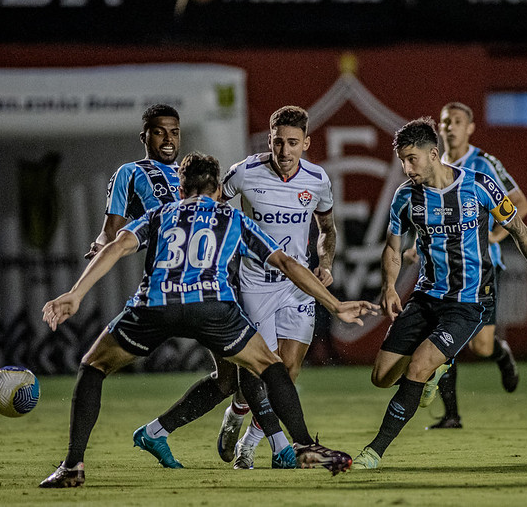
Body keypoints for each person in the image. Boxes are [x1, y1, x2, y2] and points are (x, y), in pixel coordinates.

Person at [39, 153, 378, 487]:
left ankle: (72, 466)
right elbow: (288, 264)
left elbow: (117, 246)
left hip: (157, 305)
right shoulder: (233, 219)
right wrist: (334, 305)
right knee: (270, 366)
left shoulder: (159, 214)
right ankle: (304, 445)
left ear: (181, 187)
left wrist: (75, 294)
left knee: (93, 366)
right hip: (213, 307)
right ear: (218, 190)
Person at [352, 117, 527, 470]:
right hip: (425, 297)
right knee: (381, 377)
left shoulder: (480, 185)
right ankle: (438, 368)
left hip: (467, 303)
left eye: (412, 159)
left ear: (433, 154)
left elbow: (517, 227)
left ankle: (373, 452)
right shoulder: (406, 196)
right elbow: (392, 248)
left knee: (418, 367)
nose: (406, 168)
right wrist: (389, 286)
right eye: (402, 160)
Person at [130, 105, 336, 471]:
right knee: (259, 369)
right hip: (254, 285)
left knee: (284, 374)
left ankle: (244, 429)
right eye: (278, 143)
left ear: (306, 143)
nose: (284, 151)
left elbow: (327, 229)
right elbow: (208, 211)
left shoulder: (318, 179)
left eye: (292, 143)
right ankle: (277, 447)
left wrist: (326, 263)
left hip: (297, 284)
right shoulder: (244, 173)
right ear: (268, 141)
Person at [418, 101, 527, 429]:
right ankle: (451, 414)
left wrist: (495, 236)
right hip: (441, 269)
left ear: (469, 128)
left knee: (480, 346)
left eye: (456, 121)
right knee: (440, 337)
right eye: (444, 121)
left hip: (480, 268)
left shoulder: (484, 163)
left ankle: (500, 352)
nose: (449, 126)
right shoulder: (433, 166)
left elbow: (520, 204)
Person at [84, 103, 181, 260]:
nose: (168, 139)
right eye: (158, 133)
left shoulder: (191, 172)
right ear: (144, 137)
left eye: (174, 133)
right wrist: (101, 246)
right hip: (166, 268)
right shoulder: (130, 172)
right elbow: (110, 231)